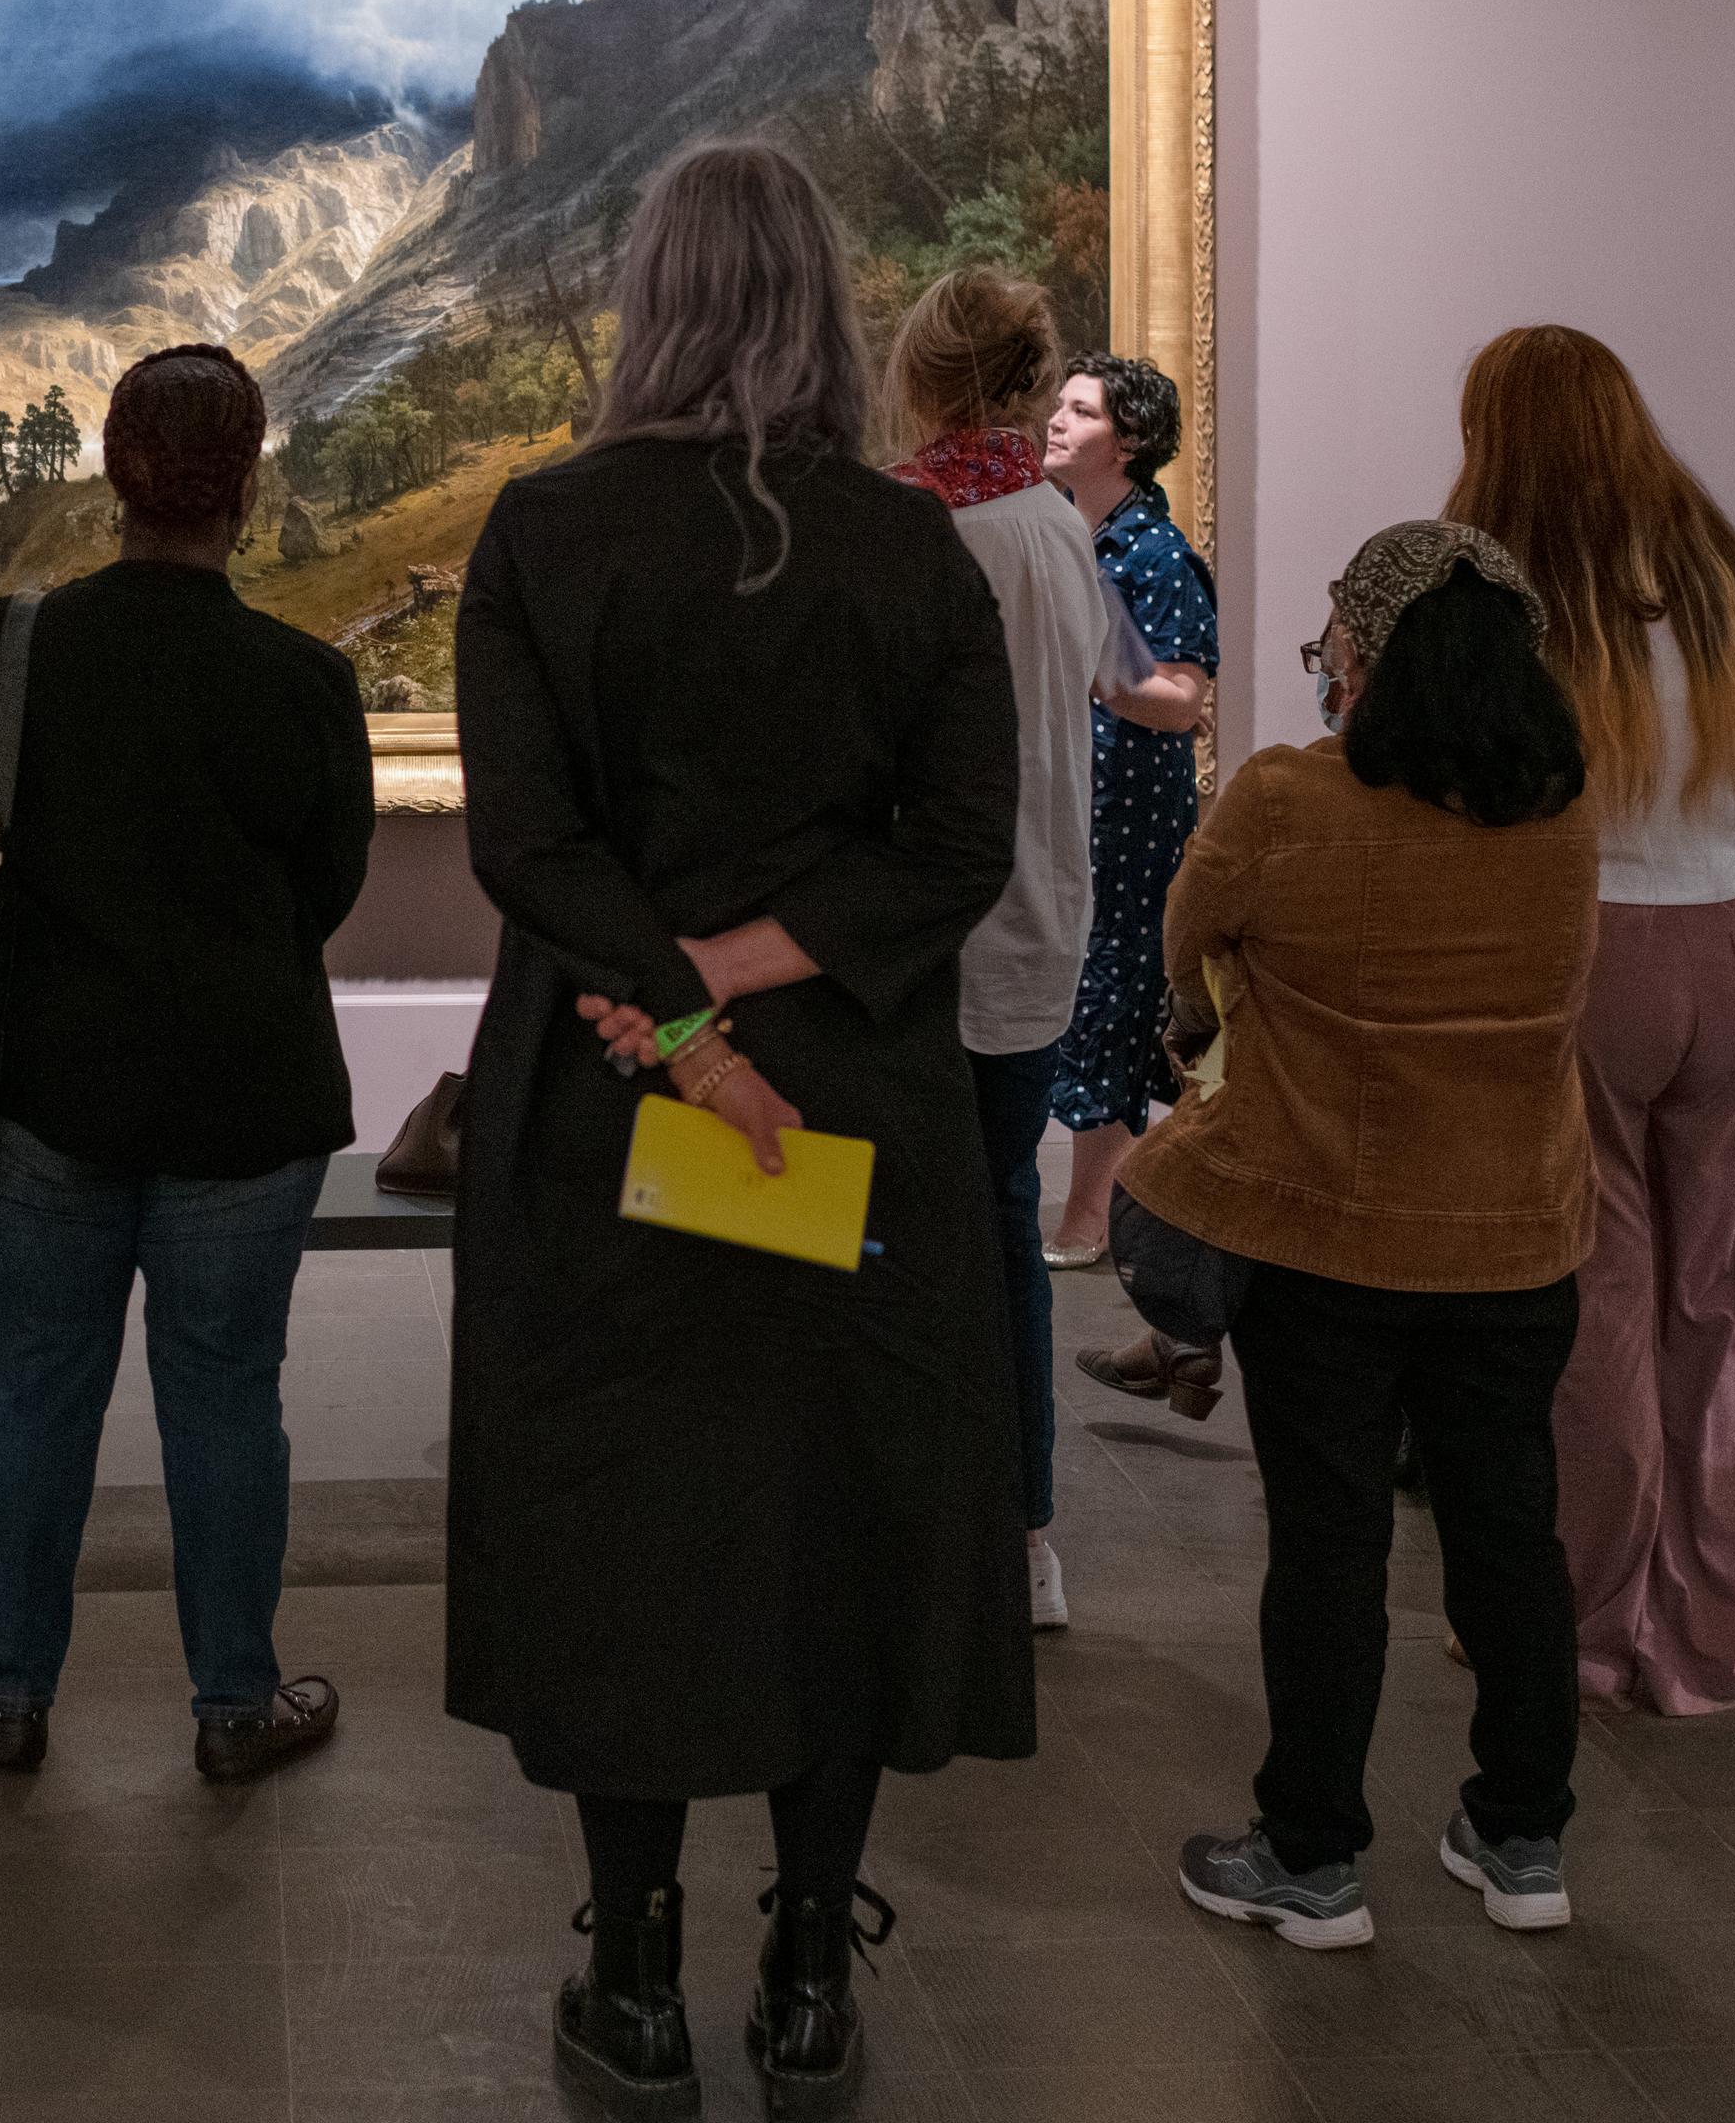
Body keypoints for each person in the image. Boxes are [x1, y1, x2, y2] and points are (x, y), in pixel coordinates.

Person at [454, 139, 1031, 2120]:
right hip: (832, 1109)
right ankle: (805, 1962)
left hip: (612, 1103)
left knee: (627, 1509)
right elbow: (957, 849)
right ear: (826, 303)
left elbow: (527, 843)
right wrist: (739, 996)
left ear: (647, 294)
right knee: (832, 1506)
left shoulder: (544, 528)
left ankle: (628, 1967)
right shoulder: (908, 549)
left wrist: (676, 1009)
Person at [1139, 522, 1599, 1949]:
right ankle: (1523, 1841)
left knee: (1329, 1548)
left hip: (1326, 1242)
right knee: (1509, 1537)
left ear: (1363, 654)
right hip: (1517, 1240)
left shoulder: (1287, 797)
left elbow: (1187, 943)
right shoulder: (1568, 812)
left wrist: (1210, 1027)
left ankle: (1313, 1853)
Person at [0, 342, 373, 1786]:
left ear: (111, 476)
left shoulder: (6, 649)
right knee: (230, 1395)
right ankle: (234, 1705)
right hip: (245, 1098)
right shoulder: (304, 680)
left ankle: (9, 1697)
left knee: (34, 1386)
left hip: (44, 1089)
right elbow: (327, 889)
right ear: (245, 487)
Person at [1449, 325, 1735, 1715]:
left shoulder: (1503, 590)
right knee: (1709, 1299)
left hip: (1587, 951)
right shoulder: (1720, 573)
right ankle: (1715, 1628)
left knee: (1595, 1297)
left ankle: (1591, 1631)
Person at [882, 268, 1121, 1637]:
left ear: (916, 378)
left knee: (881, 1234)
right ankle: (1024, 1533)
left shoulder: (909, 533)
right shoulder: (1057, 532)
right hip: (1036, 935)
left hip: (917, 948)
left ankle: (907, 1519)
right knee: (1001, 1237)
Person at [1040, 353, 1216, 1269]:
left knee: (1111, 1005)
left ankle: (1090, 1218)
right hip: (1080, 809)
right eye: (1059, 407)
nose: (1057, 423)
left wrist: (1087, 661)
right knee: (1085, 997)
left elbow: (1183, 699)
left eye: (1082, 411)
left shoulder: (1153, 551)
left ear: (1131, 440)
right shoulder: (1077, 537)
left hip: (1131, 823)